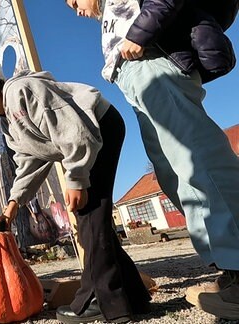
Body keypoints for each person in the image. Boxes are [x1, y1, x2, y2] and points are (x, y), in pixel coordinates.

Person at [65, 0, 239, 319]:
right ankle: (229, 270)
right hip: (135, 75)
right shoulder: (110, 13)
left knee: (196, 159)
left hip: (154, 59)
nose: (74, 8)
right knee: (173, 174)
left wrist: (139, 34)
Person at [0, 68, 151, 323]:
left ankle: (100, 301)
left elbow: (73, 131)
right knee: (94, 219)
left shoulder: (23, 91)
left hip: (98, 129)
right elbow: (30, 160)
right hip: (85, 140)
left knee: (90, 216)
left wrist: (76, 178)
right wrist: (14, 203)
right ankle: (133, 296)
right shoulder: (8, 121)